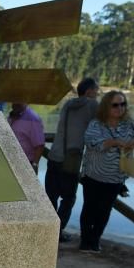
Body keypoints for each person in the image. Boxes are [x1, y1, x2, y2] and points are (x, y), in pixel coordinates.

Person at [77, 91, 134, 253]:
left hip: (115, 178)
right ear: (106, 106)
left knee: (104, 210)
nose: (119, 108)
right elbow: (90, 142)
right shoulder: (96, 124)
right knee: (89, 209)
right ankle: (85, 241)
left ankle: (95, 241)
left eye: (123, 104)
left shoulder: (130, 123)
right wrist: (113, 142)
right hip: (93, 175)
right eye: (115, 105)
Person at [46, 78, 99, 242]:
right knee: (69, 198)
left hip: (54, 154)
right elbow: (104, 122)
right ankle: (57, 231)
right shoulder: (92, 105)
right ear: (89, 91)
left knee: (51, 196)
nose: (97, 94)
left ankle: (49, 230)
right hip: (71, 158)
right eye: (96, 91)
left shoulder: (68, 104)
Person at [8, 102, 45, 172]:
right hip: (11, 162)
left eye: (19, 101)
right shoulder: (11, 116)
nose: (15, 102)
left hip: (26, 163)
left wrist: (35, 165)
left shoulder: (33, 118)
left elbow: (39, 145)